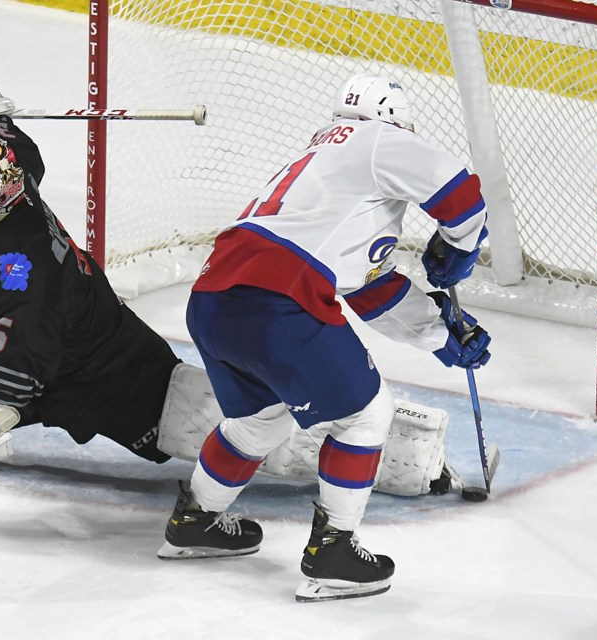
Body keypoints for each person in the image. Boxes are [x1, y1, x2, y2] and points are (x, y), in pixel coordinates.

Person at [0, 51, 463, 500]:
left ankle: (406, 454)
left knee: (264, 434)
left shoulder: (19, 267)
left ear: (5, 197)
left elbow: (18, 375)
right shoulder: (2, 188)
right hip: (41, 350)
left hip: (126, 388)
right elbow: (0, 138)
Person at [157, 73, 491, 603]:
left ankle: (195, 521)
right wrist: (461, 246)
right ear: (395, 120)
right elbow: (461, 194)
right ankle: (334, 552)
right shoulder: (378, 140)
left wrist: (438, 334)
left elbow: (364, 288)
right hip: (277, 303)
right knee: (366, 413)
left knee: (258, 420)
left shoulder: (325, 172)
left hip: (213, 300)